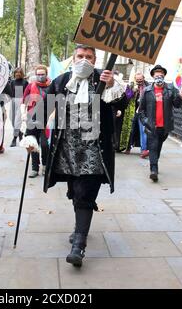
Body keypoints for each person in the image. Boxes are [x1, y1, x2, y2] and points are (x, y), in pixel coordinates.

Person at [25, 44, 124, 267]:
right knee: (74, 191)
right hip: (66, 149)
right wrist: (31, 135)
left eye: (89, 57)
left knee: (85, 193)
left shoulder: (105, 78)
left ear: (95, 59)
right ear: (73, 57)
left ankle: (78, 245)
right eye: (80, 56)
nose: (84, 60)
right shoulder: (61, 81)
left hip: (94, 150)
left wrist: (110, 86)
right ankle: (81, 227)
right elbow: (42, 110)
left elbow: (123, 103)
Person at [139, 64, 182, 182]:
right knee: (153, 147)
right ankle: (153, 170)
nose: (159, 76)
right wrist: (146, 122)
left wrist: (180, 97)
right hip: (151, 126)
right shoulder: (147, 90)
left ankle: (154, 162)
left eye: (161, 74)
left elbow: (177, 105)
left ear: (164, 76)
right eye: (156, 74)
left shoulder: (170, 89)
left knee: (158, 147)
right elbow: (141, 110)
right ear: (153, 76)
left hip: (165, 126)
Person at [23, 65, 51, 178]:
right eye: (38, 74)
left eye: (42, 74)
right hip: (32, 118)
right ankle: (35, 168)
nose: (40, 76)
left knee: (44, 145)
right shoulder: (30, 86)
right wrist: (23, 114)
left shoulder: (51, 86)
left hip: (46, 119)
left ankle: (45, 166)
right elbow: (23, 102)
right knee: (32, 144)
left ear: (46, 74)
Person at [10, 68, 28, 147]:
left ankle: (14, 138)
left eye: (19, 72)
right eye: (16, 72)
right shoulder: (12, 82)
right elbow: (10, 92)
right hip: (13, 101)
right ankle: (20, 133)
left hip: (21, 102)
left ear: (22, 73)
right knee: (12, 119)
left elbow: (27, 93)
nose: (17, 74)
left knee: (17, 120)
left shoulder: (25, 82)